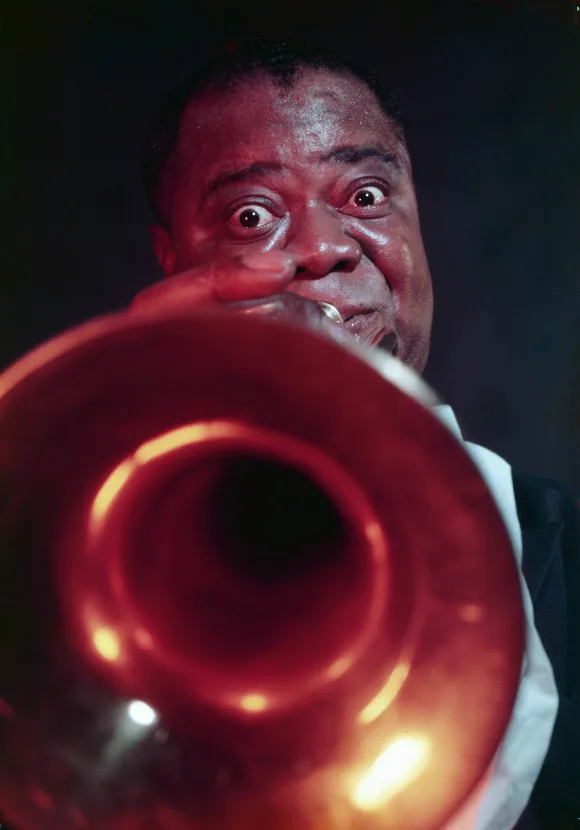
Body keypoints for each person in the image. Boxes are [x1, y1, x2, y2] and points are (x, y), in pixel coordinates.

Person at [130, 39, 579, 830]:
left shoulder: (569, 549)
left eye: (367, 196)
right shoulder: (75, 550)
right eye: (251, 215)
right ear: (173, 261)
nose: (324, 247)